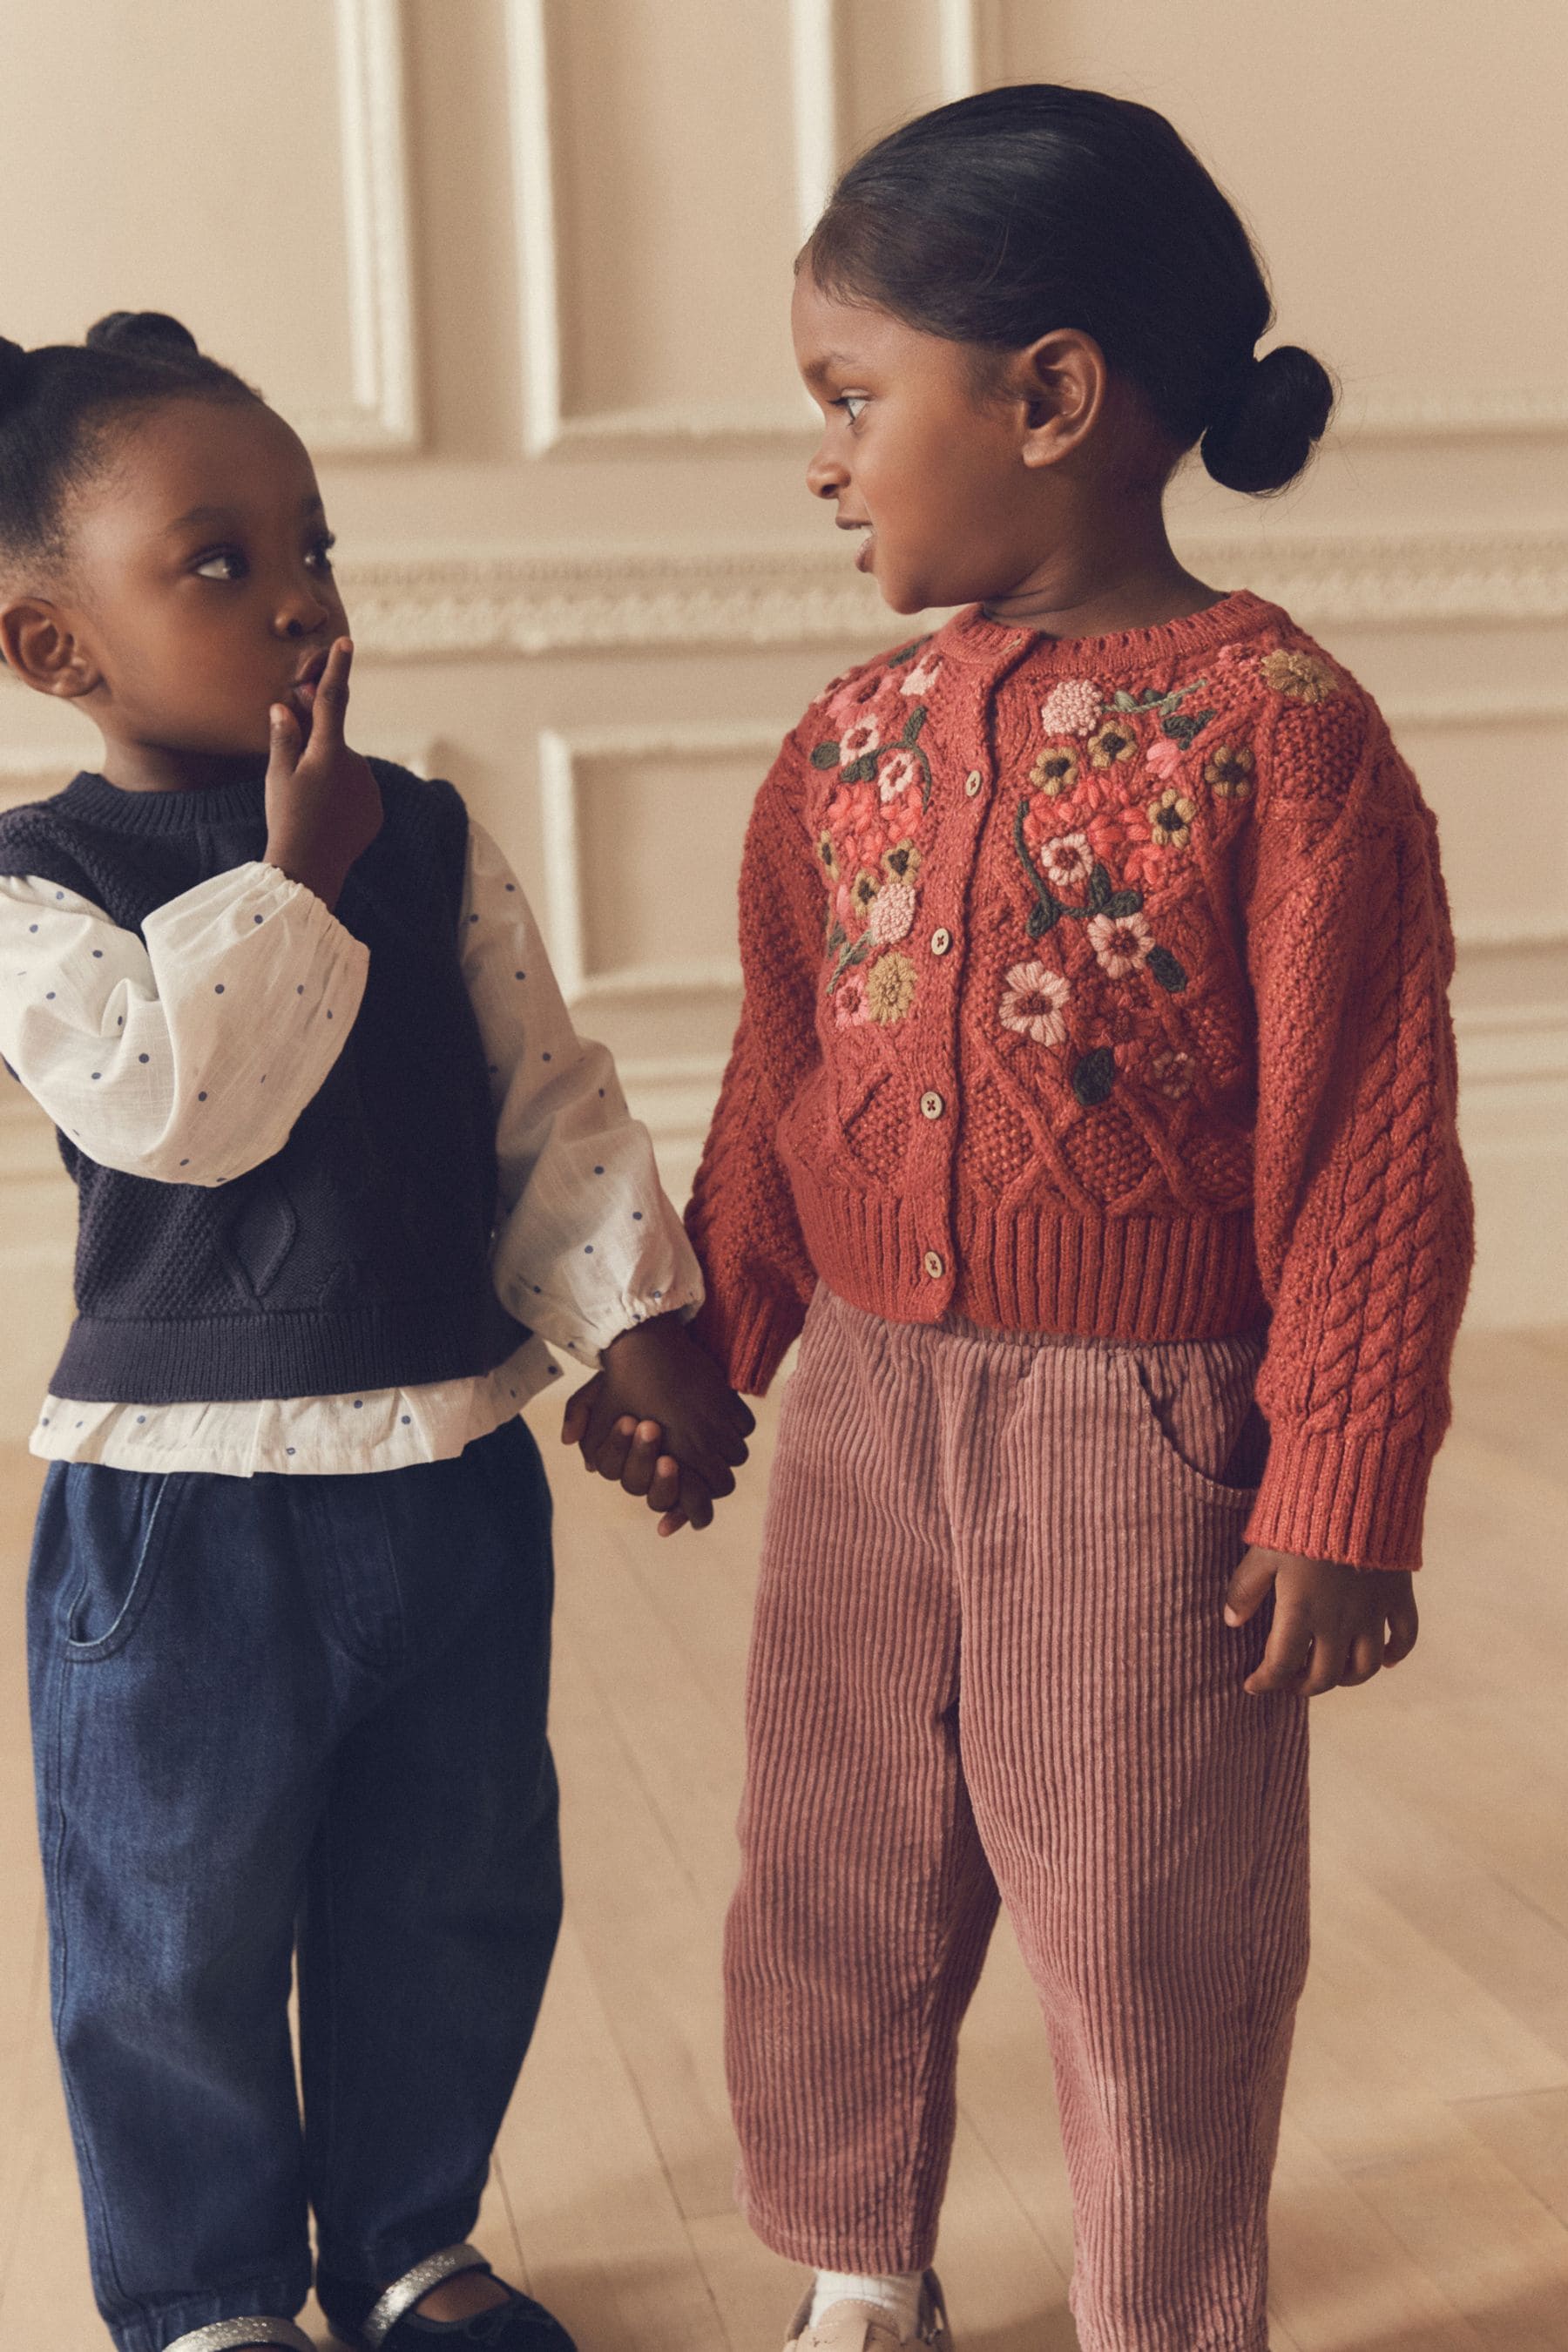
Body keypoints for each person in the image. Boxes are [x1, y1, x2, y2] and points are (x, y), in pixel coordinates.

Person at [579, 84, 1475, 2352]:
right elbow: (790, 1066)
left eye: (850, 398)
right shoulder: (847, 740)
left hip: (1144, 1444)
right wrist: (713, 1327)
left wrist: (1342, 1479)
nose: (821, 458)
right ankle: (859, 2257)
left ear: (1054, 394)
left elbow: (1377, 1134)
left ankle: (1167, 2308)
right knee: (836, 1867)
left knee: (1150, 1921)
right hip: (874, 1410)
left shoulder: (1283, 736)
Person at [0, 311, 752, 2352]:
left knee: (453, 1893)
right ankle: (210, 2295)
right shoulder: (39, 888)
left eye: (312, 541)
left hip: (446, 1475)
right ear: (58, 649)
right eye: (219, 560)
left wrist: (641, 1325)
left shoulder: (422, 833)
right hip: (182, 1529)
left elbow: (546, 1095)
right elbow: (180, 1107)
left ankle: (413, 2246)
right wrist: (291, 877)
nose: (302, 594)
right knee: (176, 1929)